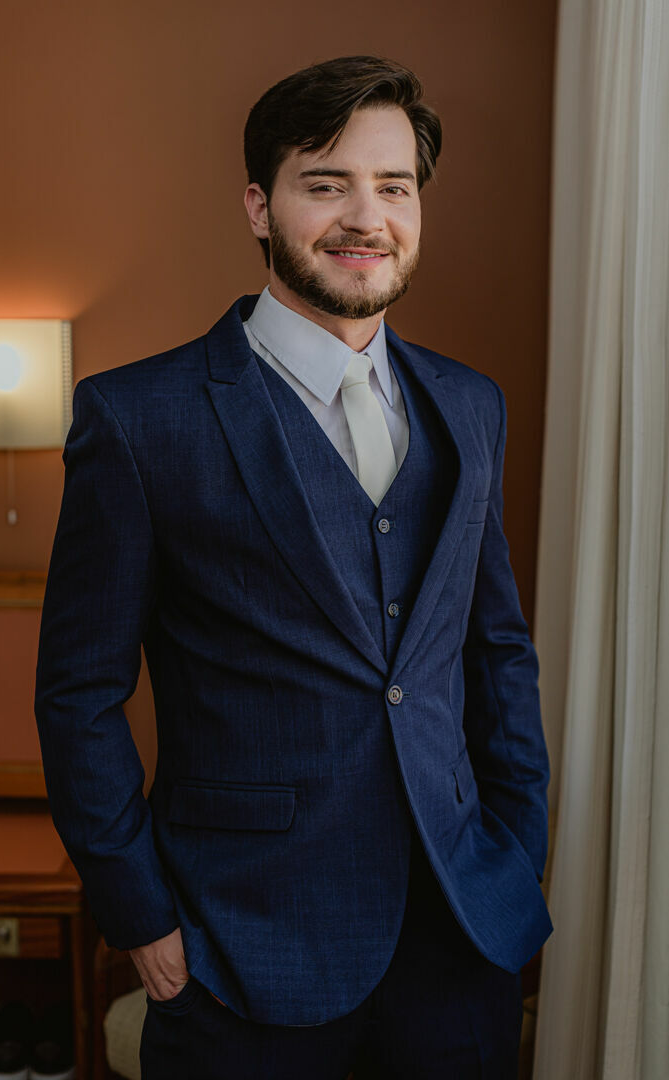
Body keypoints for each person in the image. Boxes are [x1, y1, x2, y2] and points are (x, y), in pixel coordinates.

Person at [35, 54, 552, 1079]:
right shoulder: (139, 420)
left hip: (460, 936)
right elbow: (78, 693)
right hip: (239, 946)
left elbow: (496, 650)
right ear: (259, 206)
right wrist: (140, 913)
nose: (367, 216)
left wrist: (516, 845)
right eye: (326, 184)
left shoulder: (469, 405)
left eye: (393, 186)